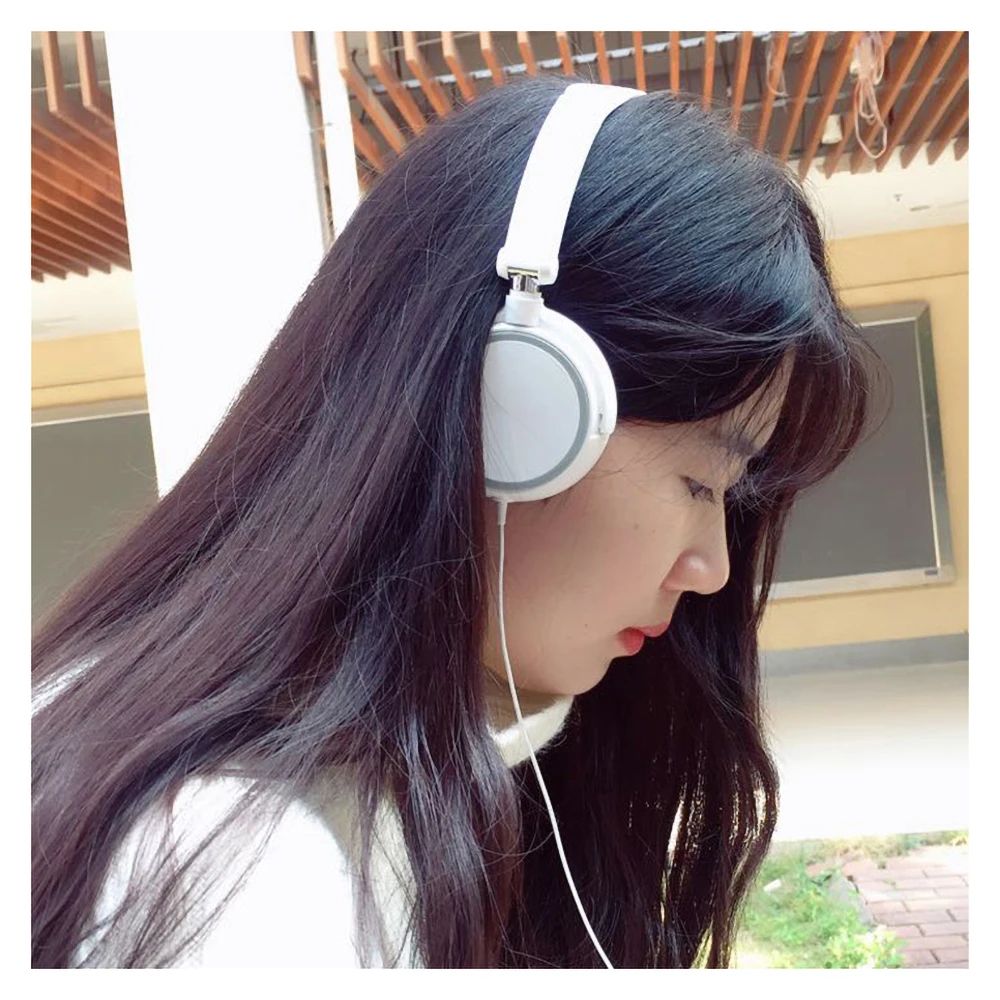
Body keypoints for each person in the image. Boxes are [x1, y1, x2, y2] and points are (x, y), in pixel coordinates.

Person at [31, 74, 876, 969]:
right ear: (520, 404)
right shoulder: (234, 881)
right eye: (703, 482)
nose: (711, 568)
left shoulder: (432, 776)